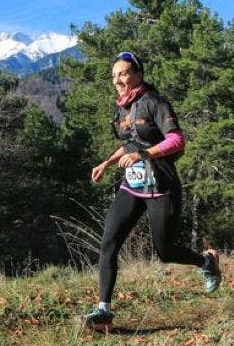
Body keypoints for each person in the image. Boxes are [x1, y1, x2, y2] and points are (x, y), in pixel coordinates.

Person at [80, 51, 220, 329]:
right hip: (132, 187)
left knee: (165, 251)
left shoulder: (154, 103)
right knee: (109, 242)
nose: (117, 80)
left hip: (162, 186)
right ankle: (103, 311)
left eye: (122, 74)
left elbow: (177, 140)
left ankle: (206, 261)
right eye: (113, 76)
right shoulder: (122, 107)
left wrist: (145, 155)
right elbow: (131, 143)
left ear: (138, 75)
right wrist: (106, 163)